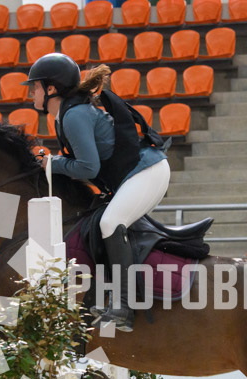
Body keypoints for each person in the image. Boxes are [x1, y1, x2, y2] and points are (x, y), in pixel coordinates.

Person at [24, 53, 171, 332]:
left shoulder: (73, 116)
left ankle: (123, 306)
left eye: (36, 86)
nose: (32, 92)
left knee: (110, 223)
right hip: (134, 174)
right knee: (103, 223)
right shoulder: (65, 115)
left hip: (148, 172)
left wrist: (52, 163)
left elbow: (88, 167)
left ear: (51, 88)